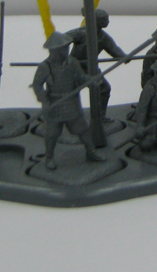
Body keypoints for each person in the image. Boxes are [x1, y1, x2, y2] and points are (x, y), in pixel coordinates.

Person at [32, 31, 106, 170]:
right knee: (51, 134)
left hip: (72, 103)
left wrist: (91, 81)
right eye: (64, 47)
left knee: (83, 130)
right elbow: (37, 85)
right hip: (54, 105)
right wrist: (44, 101)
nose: (67, 49)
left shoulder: (72, 62)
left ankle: (91, 152)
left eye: (67, 47)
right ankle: (49, 157)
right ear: (55, 50)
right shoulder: (45, 66)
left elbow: (81, 77)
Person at [67, 8, 125, 122]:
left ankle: (100, 116)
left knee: (104, 88)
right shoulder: (80, 33)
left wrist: (124, 57)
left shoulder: (103, 37)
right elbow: (61, 41)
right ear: (96, 21)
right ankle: (56, 115)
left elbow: (114, 49)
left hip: (91, 69)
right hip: (75, 68)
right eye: (104, 19)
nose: (108, 21)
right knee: (66, 92)